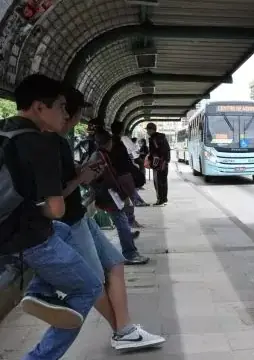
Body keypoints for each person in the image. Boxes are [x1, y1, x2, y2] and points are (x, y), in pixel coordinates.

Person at [51, 87, 165, 350]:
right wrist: (81, 177)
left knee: (115, 262)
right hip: (68, 221)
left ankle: (124, 330)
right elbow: (55, 197)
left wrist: (82, 172)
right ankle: (123, 331)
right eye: (74, 113)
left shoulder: (59, 143)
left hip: (79, 216)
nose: (79, 121)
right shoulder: (46, 143)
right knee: (92, 281)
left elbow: (65, 181)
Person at [1, 74, 102, 359]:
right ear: (38, 107)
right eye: (60, 106)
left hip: (5, 228)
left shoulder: (3, 131)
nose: (65, 113)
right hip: (28, 240)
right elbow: (56, 209)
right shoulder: (40, 144)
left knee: (64, 231)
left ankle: (39, 291)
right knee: (90, 287)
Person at [89, 129, 150, 265]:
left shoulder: (101, 155)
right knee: (121, 221)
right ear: (109, 142)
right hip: (108, 195)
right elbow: (92, 177)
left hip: (111, 194)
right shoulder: (99, 156)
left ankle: (129, 250)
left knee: (122, 219)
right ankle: (129, 253)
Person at [146, 123, 170, 206]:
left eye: (148, 130)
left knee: (158, 182)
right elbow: (166, 150)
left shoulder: (154, 139)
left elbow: (155, 152)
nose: (147, 132)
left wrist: (151, 160)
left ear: (152, 130)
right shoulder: (162, 138)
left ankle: (160, 200)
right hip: (164, 163)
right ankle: (164, 198)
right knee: (163, 181)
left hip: (158, 164)